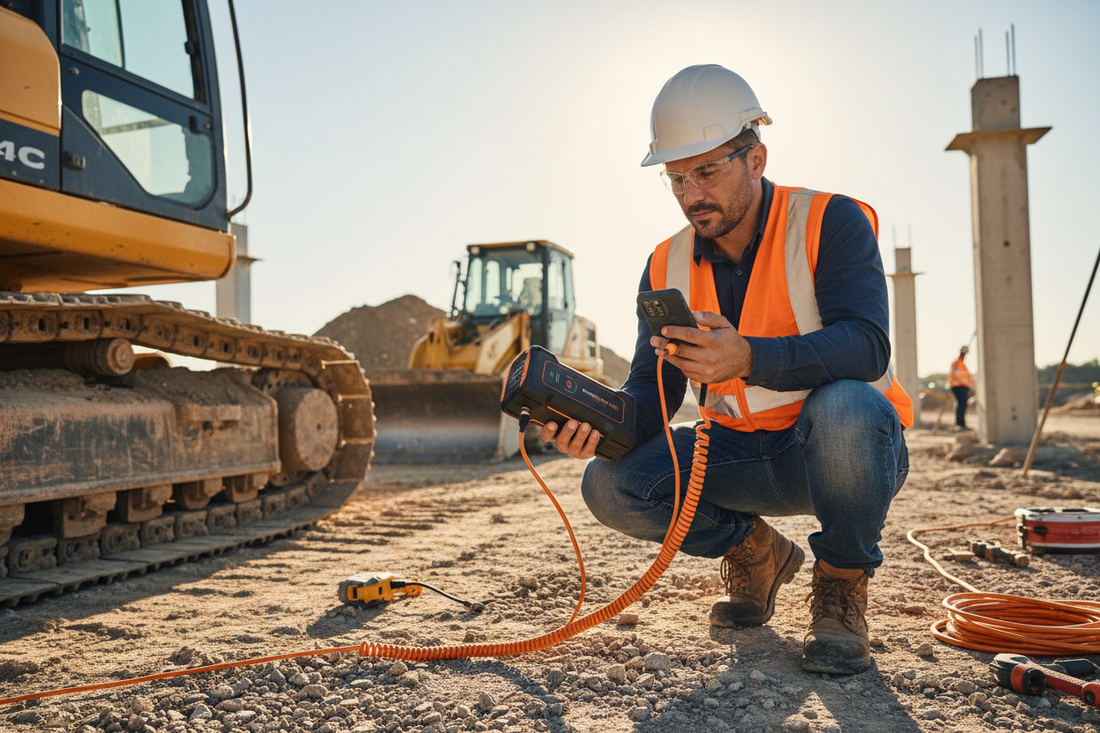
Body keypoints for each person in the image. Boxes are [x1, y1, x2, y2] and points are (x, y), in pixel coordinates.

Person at [541, 65, 912, 675]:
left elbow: (867, 346)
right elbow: (650, 395)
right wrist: (595, 423)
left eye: (707, 170)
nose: (692, 194)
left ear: (756, 158)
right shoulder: (665, 263)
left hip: (838, 453)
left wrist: (749, 357)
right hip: (735, 458)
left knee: (847, 406)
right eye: (677, 177)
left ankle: (841, 582)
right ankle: (757, 551)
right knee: (607, 483)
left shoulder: (830, 222)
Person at [947, 346, 974, 430]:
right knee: (961, 405)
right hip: (958, 386)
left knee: (962, 405)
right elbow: (956, 375)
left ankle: (961, 423)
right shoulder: (957, 363)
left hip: (962, 386)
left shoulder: (962, 364)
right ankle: (960, 423)